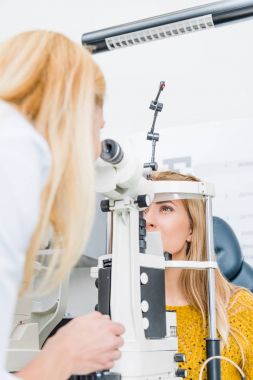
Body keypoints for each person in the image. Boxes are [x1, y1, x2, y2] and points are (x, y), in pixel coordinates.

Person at [0, 31, 124, 380]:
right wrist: (64, 354)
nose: (97, 149)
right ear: (76, 110)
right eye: (98, 128)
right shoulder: (17, 151)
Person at [144, 171, 253, 379]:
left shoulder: (238, 309)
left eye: (165, 208)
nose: (148, 220)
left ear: (192, 229)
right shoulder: (124, 309)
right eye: (144, 208)